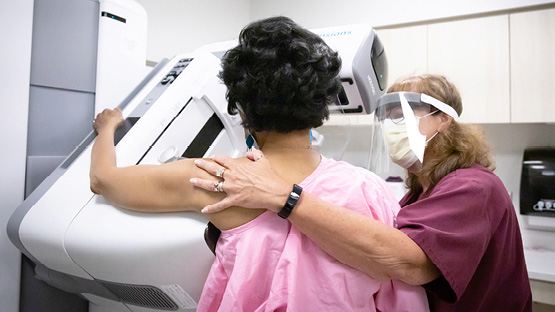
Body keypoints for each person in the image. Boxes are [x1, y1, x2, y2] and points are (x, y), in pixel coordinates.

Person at [90, 16, 428, 312]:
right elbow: (401, 290)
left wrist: (106, 128)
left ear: (242, 109)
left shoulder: (214, 177)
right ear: (321, 106)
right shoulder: (369, 188)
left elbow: (103, 180)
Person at [191, 74, 533, 311]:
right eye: (388, 115)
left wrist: (285, 197)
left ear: (443, 119)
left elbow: (408, 263)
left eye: (403, 112)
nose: (392, 125)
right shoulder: (417, 194)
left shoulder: (472, 187)